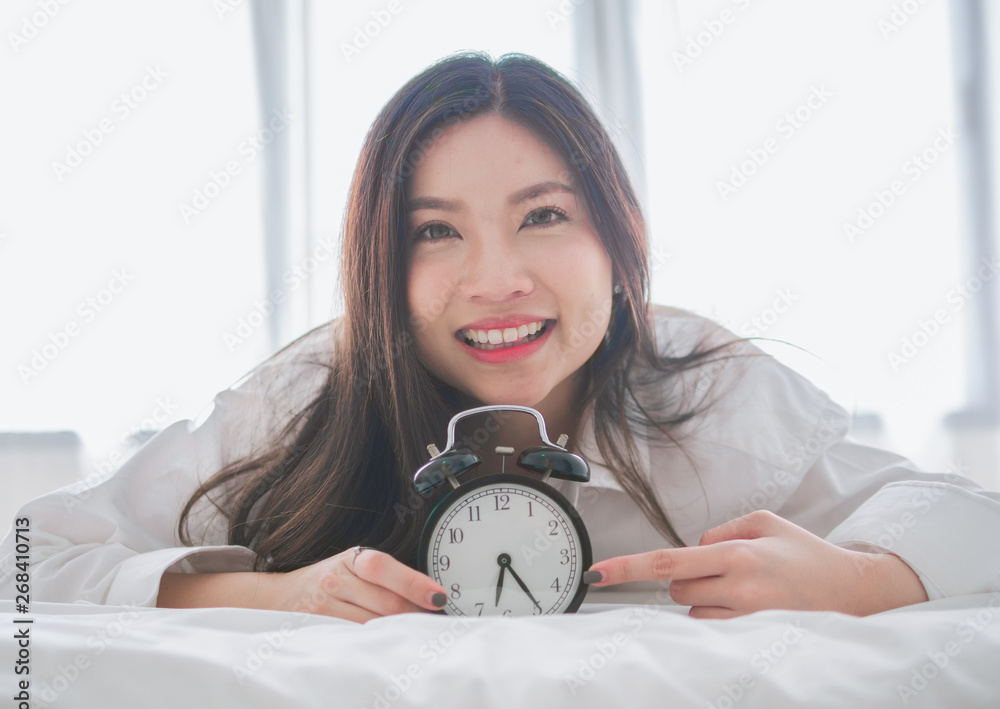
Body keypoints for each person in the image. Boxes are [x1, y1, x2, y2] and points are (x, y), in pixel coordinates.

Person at [3, 52, 999, 624]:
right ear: (378, 265)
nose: (495, 281)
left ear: (617, 239)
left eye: (544, 216)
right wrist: (276, 596)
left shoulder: (706, 391)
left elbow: (972, 518)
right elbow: (29, 555)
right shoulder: (311, 394)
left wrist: (861, 579)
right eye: (434, 232)